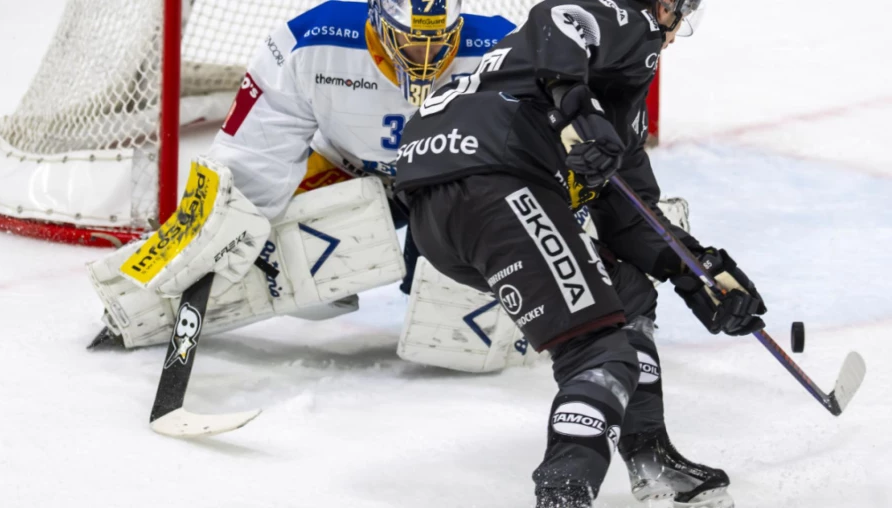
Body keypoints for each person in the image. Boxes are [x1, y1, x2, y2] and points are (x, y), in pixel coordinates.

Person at [394, 0, 766, 506]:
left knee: (627, 292)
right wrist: (576, 102)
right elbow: (558, 14)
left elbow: (632, 217)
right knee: (597, 351)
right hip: (497, 183)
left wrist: (697, 271)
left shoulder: (599, 93)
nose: (677, 33)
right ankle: (563, 493)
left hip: (439, 215)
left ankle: (650, 455)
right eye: (682, 16)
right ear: (664, 8)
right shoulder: (630, 30)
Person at [86, 0, 516, 350]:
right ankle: (140, 304)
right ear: (379, 21)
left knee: (459, 338)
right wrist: (221, 229)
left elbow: (543, 150)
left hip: (449, 184)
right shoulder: (311, 41)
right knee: (285, 262)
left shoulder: (503, 50)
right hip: (349, 170)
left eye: (437, 42)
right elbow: (251, 152)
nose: (425, 57)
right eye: (409, 41)